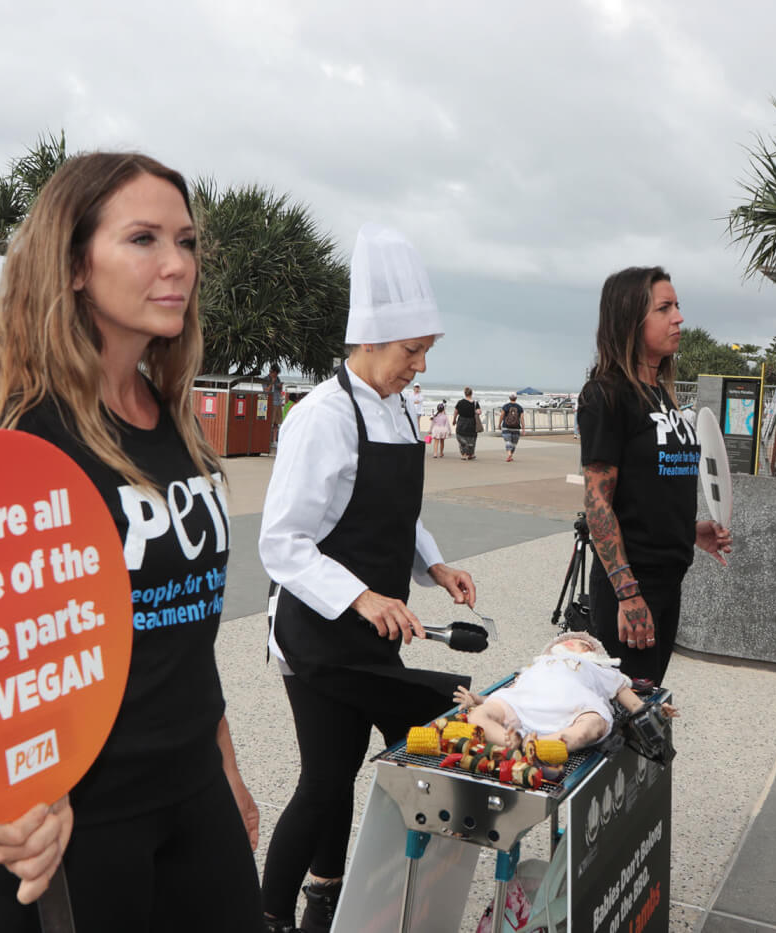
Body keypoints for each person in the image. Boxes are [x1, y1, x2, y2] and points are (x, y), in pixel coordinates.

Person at [0, 152, 262, 932]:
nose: (177, 266)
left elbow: (185, 632)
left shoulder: (173, 420)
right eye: (144, 239)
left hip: (193, 792)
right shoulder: (21, 438)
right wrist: (10, 804)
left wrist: (226, 769)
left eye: (186, 242)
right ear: (75, 264)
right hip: (76, 822)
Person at [259, 223, 477, 933]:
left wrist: (434, 563)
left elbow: (394, 512)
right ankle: (268, 915)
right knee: (329, 778)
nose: (419, 365)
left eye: (424, 352)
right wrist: (359, 594)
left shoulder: (402, 408)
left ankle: (325, 901)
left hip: (373, 626)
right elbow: (282, 541)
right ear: (372, 341)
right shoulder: (322, 415)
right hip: (320, 631)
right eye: (413, 350)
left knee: (336, 772)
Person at [578, 267, 731, 685]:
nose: (678, 317)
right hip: (632, 586)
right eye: (664, 308)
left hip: (669, 580)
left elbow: (653, 485)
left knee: (648, 711)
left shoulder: (660, 394)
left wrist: (688, 530)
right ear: (630, 320)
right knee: (630, 721)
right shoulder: (607, 395)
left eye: (677, 306)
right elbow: (597, 504)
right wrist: (629, 595)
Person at [453, 632, 645, 751]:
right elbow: (511, 692)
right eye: (565, 641)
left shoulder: (599, 668)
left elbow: (634, 703)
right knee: (478, 716)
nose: (570, 641)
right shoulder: (538, 665)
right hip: (524, 705)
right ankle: (509, 741)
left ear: (592, 653)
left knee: (590, 728)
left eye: (580, 643)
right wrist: (478, 699)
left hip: (577, 707)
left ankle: (534, 744)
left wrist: (654, 713)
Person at [452, 386, 481, 460]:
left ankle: (464, 454)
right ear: (472, 393)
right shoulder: (475, 403)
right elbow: (479, 412)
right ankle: (471, 454)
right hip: (472, 422)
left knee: (460, 435)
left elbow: (456, 412)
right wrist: (476, 411)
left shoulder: (460, 402)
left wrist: (454, 420)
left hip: (462, 421)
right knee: (472, 438)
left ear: (465, 394)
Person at [499, 392, 525, 462]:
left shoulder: (505, 406)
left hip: (506, 427)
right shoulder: (519, 407)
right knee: (513, 444)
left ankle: (509, 454)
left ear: (509, 398)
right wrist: (523, 429)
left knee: (508, 442)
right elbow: (522, 418)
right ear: (516, 398)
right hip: (516, 428)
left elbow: (501, 416)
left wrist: (499, 424)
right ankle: (510, 455)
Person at [266, 363, 284, 447]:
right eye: (275, 373)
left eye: (277, 374)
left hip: (277, 402)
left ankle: (274, 441)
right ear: (271, 372)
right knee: (269, 422)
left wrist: (280, 386)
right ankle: (267, 440)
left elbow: (280, 391)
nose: (276, 375)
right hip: (270, 403)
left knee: (276, 423)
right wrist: (272, 383)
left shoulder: (278, 379)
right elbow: (266, 390)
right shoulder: (266, 379)